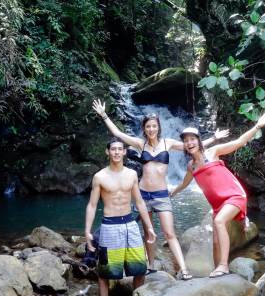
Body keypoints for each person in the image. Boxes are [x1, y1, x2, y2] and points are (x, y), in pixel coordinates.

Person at [92, 99, 229, 280]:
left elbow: (192, 147)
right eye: (148, 126)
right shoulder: (140, 144)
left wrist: (215, 138)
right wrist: (104, 115)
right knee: (148, 232)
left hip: (162, 195)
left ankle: (183, 269)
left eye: (154, 126)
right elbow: (117, 133)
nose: (151, 129)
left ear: (158, 127)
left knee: (169, 233)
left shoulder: (168, 143)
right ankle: (150, 265)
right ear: (144, 128)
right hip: (143, 194)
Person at [171, 112, 265, 278]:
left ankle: (223, 266)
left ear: (199, 141)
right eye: (186, 141)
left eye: (192, 139)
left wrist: (257, 125)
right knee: (215, 243)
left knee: (220, 221)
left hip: (234, 196)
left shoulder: (213, 152)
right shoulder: (191, 166)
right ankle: (217, 272)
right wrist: (174, 191)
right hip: (218, 205)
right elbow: (184, 183)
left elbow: (239, 142)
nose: (189, 143)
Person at [85, 137, 156, 296]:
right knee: (104, 271)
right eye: (113, 149)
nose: (116, 152)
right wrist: (87, 231)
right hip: (109, 227)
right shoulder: (100, 176)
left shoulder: (132, 174)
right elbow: (92, 205)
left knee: (140, 267)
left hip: (130, 225)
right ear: (107, 152)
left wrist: (148, 227)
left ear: (124, 152)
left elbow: (139, 202)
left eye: (120, 149)